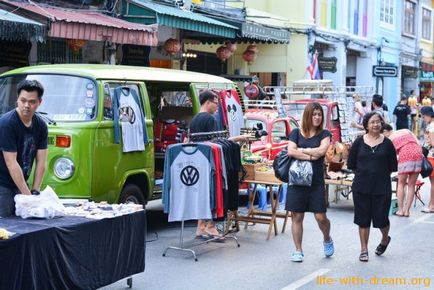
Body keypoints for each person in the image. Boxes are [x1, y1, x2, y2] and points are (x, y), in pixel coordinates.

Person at [190, 90, 247, 238]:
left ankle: (200, 227)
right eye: (216, 103)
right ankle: (210, 226)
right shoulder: (210, 119)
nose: (217, 107)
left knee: (203, 194)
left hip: (198, 161)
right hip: (211, 162)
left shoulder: (195, 119)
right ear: (208, 102)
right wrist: (241, 137)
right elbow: (219, 143)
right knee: (213, 193)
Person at [286, 102, 334, 262]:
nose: (317, 117)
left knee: (321, 217)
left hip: (315, 182)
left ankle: (327, 238)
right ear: (307, 115)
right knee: (297, 216)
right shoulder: (295, 133)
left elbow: (322, 152)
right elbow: (290, 151)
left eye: (319, 114)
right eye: (314, 114)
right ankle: (298, 250)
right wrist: (311, 155)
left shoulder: (325, 134)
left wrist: (301, 151)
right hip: (297, 181)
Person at [347, 112, 398, 262]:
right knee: (363, 220)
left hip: (382, 188)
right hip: (361, 187)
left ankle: (384, 239)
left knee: (381, 220)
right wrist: (366, 174)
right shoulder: (358, 142)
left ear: (382, 124)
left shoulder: (388, 144)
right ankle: (364, 249)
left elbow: (392, 166)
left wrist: (377, 174)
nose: (376, 124)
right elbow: (351, 164)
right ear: (366, 125)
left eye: (378, 122)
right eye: (372, 122)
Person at [0, 79, 48, 217]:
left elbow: (41, 161)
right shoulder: (7, 124)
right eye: (23, 100)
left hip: (21, 181)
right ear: (17, 100)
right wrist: (27, 196)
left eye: (32, 102)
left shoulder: (41, 126)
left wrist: (35, 191)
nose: (26, 105)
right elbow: (11, 163)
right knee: (7, 224)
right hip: (2, 184)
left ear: (39, 102)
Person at [383, 124, 423, 217]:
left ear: (385, 131)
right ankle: (407, 211)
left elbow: (390, 156)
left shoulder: (390, 139)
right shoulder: (406, 130)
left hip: (405, 155)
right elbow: (418, 142)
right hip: (418, 153)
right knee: (411, 185)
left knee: (401, 183)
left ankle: (400, 210)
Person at [420, 106, 434, 213]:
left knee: (433, 183)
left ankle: (431, 206)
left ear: (428, 115)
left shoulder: (432, 126)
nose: (423, 118)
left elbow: (433, 143)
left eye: (423, 116)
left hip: (432, 156)